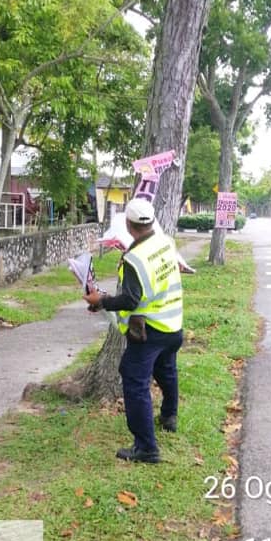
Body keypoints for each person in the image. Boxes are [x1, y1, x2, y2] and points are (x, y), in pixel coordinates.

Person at [83, 198, 184, 463]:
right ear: (152, 221)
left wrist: (101, 301)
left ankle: (146, 448)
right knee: (167, 370)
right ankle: (169, 416)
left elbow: (130, 300)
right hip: (174, 324)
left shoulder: (134, 259)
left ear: (128, 225)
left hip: (150, 330)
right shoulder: (166, 242)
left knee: (134, 380)